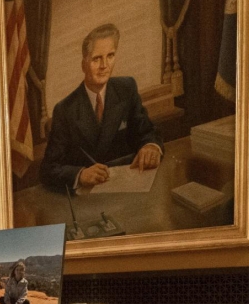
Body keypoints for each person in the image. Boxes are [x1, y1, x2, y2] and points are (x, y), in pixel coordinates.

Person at [39, 23, 164, 192]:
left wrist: (150, 146)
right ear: (84, 64)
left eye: (110, 56)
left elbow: (147, 132)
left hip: (128, 189)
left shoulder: (127, 88)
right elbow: (48, 169)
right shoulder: (65, 110)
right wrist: (80, 175)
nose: (104, 65)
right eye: (97, 59)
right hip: (89, 201)